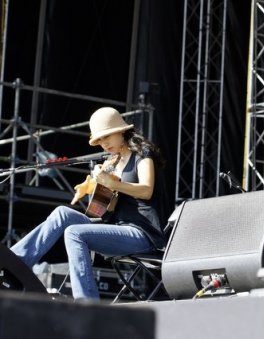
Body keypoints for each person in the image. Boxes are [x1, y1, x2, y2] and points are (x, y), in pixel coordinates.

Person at [10, 107, 165, 300]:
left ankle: (86, 302)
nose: (103, 143)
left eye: (107, 136)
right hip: (116, 228)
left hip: (141, 234)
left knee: (74, 233)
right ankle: (13, 263)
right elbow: (99, 211)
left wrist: (110, 182)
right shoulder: (112, 162)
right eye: (99, 140)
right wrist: (93, 187)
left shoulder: (143, 153)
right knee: (62, 213)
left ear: (121, 130)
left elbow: (146, 189)